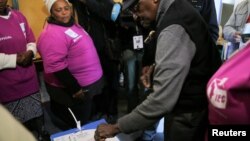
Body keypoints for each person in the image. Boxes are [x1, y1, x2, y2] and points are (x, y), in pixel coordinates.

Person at [94, 0, 221, 141]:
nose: (135, 16)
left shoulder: (173, 28)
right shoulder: (176, 8)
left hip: (189, 112)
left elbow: (161, 101)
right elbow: (187, 55)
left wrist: (116, 127)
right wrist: (157, 67)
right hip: (193, 102)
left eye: (136, 7)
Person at [38, 0, 104, 129]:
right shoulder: (51, 34)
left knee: (85, 116)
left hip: (87, 83)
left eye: (66, 8)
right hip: (73, 88)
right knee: (75, 122)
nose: (64, 13)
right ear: (51, 12)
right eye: (59, 10)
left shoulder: (71, 25)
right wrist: (75, 88)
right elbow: (57, 66)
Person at [0, 1, 48, 140]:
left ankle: (42, 134)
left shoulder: (18, 16)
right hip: (7, 85)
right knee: (15, 129)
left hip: (29, 80)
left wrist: (30, 52)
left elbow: (31, 40)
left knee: (38, 117)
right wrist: (15, 59)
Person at [69, 0, 120, 122]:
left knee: (111, 82)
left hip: (107, 50)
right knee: (98, 84)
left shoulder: (106, 3)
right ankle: (100, 110)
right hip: (89, 52)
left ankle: (112, 112)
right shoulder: (76, 5)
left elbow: (112, 15)